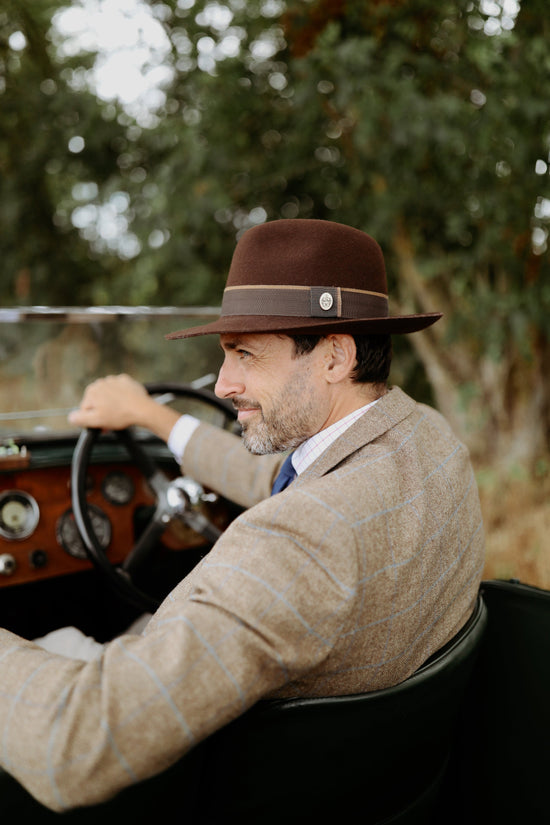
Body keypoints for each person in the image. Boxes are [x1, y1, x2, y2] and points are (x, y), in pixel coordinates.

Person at [0, 219, 485, 812]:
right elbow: (279, 483)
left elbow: (73, 746)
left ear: (335, 355)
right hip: (381, 788)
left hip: (188, 781)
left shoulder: (298, 541)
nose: (225, 384)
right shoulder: (429, 444)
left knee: (52, 648)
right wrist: (156, 419)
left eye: (245, 354)